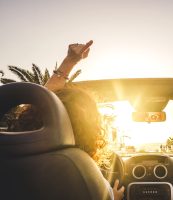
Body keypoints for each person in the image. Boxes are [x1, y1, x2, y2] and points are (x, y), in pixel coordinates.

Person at [8, 40, 125, 200]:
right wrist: (115, 196)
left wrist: (69, 61)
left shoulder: (13, 158)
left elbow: (44, 100)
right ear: (91, 128)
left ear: (35, 113)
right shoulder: (82, 169)